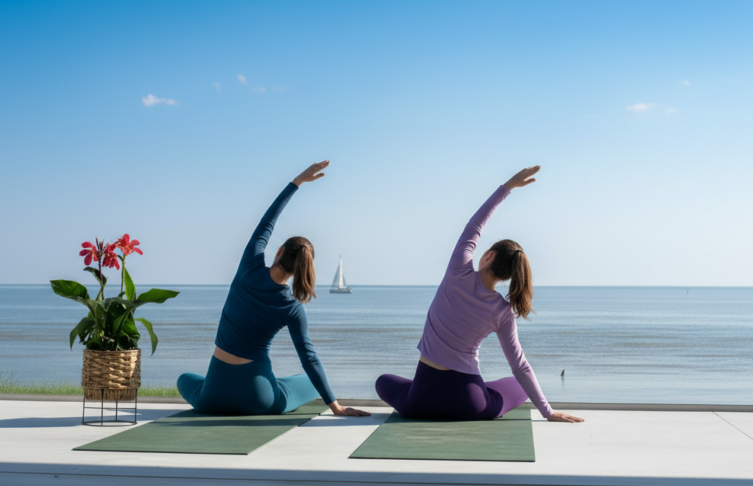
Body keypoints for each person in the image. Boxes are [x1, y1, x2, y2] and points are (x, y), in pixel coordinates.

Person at [375, 165, 583, 423]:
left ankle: (433, 391)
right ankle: (477, 391)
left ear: (488, 255)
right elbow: (519, 366)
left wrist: (508, 186)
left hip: (420, 401)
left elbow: (474, 225)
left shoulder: (457, 271)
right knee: (516, 385)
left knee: (383, 381)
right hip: (470, 403)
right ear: (510, 276)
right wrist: (547, 412)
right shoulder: (503, 311)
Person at [178, 161, 370, 417]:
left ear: (279, 251)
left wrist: (297, 182)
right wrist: (335, 406)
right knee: (304, 381)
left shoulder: (249, 267)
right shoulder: (292, 307)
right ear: (301, 270)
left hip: (213, 397)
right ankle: (273, 386)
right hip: (259, 399)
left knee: (184, 378)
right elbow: (309, 359)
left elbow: (267, 222)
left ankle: (240, 386)